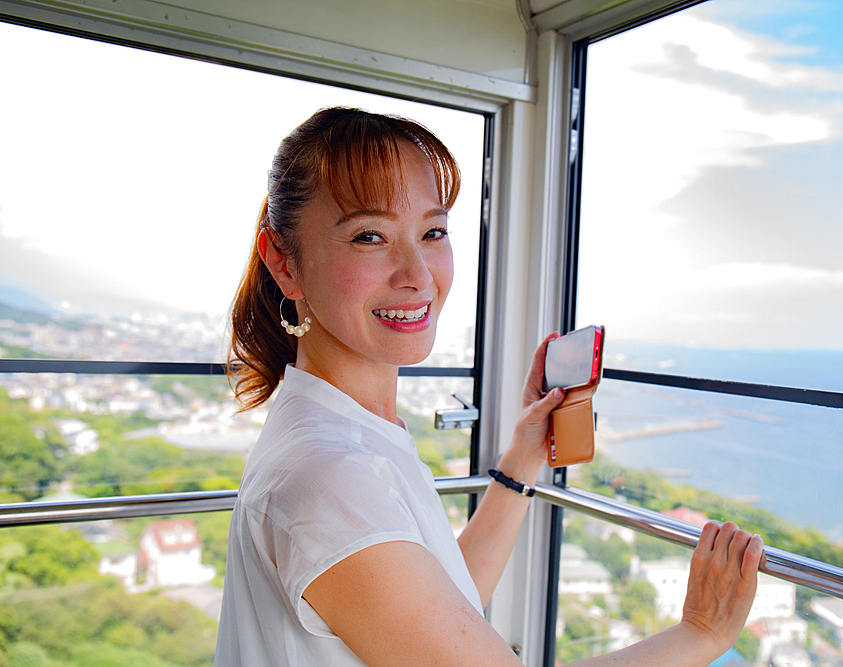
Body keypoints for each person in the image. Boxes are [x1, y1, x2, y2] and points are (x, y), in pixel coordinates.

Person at [215, 106, 765, 666]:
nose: (418, 274)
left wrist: (523, 459)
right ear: (284, 263)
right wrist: (700, 633)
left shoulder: (348, 434)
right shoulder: (329, 475)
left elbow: (438, 615)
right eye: (369, 236)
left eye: (433, 232)